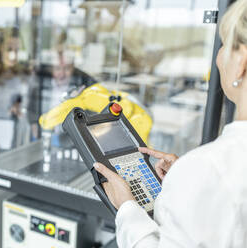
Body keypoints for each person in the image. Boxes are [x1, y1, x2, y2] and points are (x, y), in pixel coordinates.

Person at [93, 1, 247, 247]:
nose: (219, 56)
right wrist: (185, 184)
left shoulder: (206, 169)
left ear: (240, 62)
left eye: (224, 44)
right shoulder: (204, 170)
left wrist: (127, 207)